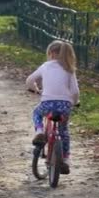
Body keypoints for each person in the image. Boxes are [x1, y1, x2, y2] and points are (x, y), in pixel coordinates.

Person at [26, 40, 79, 174]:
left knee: (37, 113)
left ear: (50, 53)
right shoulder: (69, 69)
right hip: (64, 106)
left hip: (47, 104)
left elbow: (30, 80)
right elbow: (75, 91)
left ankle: (39, 132)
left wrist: (36, 89)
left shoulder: (46, 66)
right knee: (64, 131)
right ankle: (66, 159)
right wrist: (74, 102)